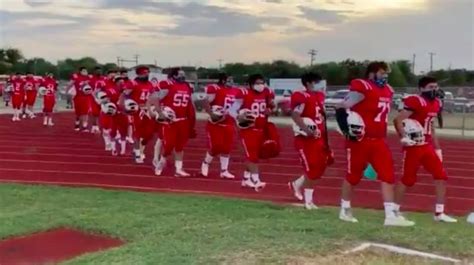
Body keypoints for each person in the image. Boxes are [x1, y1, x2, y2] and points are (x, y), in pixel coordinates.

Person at [335, 61, 414, 226]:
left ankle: (390, 215)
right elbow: (341, 106)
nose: (385, 76)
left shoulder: (388, 90)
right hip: (360, 140)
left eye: (386, 74)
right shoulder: (363, 87)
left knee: (388, 175)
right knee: (353, 176)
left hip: (379, 140)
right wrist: (345, 129)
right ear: (372, 73)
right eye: (382, 73)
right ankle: (345, 209)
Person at [393, 76, 457, 223]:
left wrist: (438, 148)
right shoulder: (416, 101)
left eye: (435, 87)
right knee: (408, 180)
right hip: (414, 147)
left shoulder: (436, 103)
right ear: (421, 89)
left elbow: (432, 127)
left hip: (427, 145)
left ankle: (439, 213)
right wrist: (403, 137)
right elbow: (398, 120)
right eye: (430, 87)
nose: (434, 90)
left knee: (441, 176)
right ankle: (394, 212)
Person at [288, 73, 334, 209]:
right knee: (312, 168)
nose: (319, 84)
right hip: (305, 139)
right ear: (308, 83)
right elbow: (295, 114)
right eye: (316, 82)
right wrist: (306, 130)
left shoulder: (319, 96)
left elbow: (322, 118)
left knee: (320, 167)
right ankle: (308, 201)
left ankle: (297, 183)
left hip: (319, 137)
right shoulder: (301, 96)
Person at [229, 74, 275, 191]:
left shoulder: (267, 92)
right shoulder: (244, 93)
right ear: (250, 84)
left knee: (255, 156)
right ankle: (256, 180)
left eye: (262, 82)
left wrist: (270, 110)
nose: (261, 85)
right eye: (257, 83)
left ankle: (246, 179)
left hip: (261, 128)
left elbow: (272, 107)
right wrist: (239, 116)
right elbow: (231, 110)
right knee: (252, 156)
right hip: (248, 129)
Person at [151, 68, 196, 177]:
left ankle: (179, 169)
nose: (183, 76)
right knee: (169, 146)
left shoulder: (187, 86)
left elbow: (190, 104)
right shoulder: (167, 84)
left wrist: (192, 121)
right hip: (170, 121)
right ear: (174, 75)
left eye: (183, 74)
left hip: (183, 120)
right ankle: (161, 163)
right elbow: (155, 97)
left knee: (180, 146)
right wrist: (159, 112)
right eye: (180, 74)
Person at [200, 73, 240, 179]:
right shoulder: (215, 88)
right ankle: (205, 163)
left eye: (232, 80)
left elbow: (238, 106)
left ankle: (224, 171)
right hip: (216, 124)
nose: (231, 82)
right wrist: (211, 114)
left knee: (226, 148)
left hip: (229, 123)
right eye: (229, 80)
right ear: (223, 81)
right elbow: (204, 101)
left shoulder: (236, 91)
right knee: (216, 146)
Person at [120, 65, 157, 163]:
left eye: (147, 73)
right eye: (144, 73)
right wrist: (125, 106)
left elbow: (153, 97)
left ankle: (139, 150)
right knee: (137, 133)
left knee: (149, 133)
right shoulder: (133, 83)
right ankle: (137, 154)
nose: (147, 75)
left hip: (148, 110)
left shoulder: (150, 84)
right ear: (139, 74)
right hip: (136, 110)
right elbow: (124, 95)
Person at [68, 67, 92, 131]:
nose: (85, 72)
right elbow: (70, 84)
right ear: (80, 71)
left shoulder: (89, 78)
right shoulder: (76, 77)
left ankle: (84, 126)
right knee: (78, 113)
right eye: (83, 71)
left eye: (86, 71)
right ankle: (77, 123)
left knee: (85, 112)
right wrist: (68, 91)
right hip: (78, 97)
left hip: (86, 97)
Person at [90, 66, 107, 134]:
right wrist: (95, 98)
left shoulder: (105, 79)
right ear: (94, 72)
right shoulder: (92, 79)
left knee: (105, 113)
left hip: (103, 98)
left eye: (100, 71)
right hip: (95, 98)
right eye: (97, 71)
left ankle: (105, 127)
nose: (99, 72)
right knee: (95, 114)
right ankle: (95, 127)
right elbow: (90, 90)